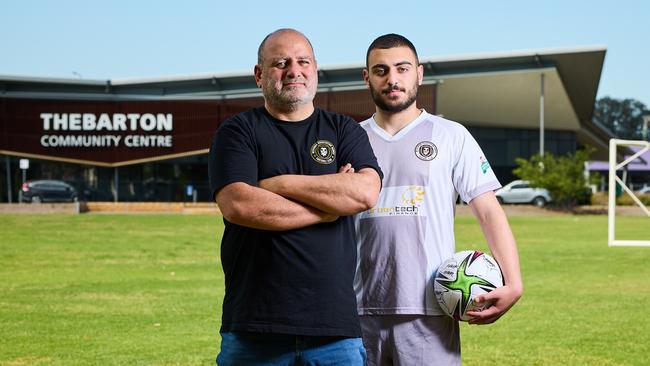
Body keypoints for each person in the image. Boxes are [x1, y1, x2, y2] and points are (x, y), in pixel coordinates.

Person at [208, 28, 382, 365]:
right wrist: (328, 209)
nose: (294, 70)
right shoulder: (238, 131)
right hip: (254, 329)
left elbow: (364, 192)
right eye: (280, 63)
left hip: (335, 331)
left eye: (303, 61)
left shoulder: (343, 130)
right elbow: (240, 204)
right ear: (259, 75)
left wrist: (278, 183)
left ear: (315, 70)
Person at [353, 33, 524, 365]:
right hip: (357, 310)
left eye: (402, 69)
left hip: (431, 309)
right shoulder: (350, 139)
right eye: (381, 70)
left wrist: (514, 282)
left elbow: (488, 210)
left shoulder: (451, 135)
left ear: (419, 73)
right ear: (367, 78)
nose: (392, 79)